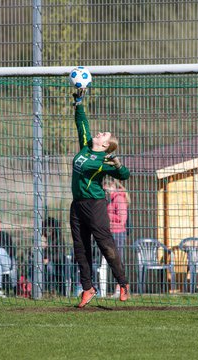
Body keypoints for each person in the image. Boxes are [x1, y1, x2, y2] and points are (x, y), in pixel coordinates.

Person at [70, 89, 130, 308]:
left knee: (105, 245)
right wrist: (79, 102)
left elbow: (124, 175)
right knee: (80, 247)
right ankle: (88, 288)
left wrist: (118, 165)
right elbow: (82, 123)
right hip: (77, 205)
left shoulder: (103, 161)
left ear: (106, 145)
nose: (101, 132)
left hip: (95, 205)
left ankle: (123, 283)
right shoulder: (86, 146)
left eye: (105, 134)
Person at [104, 179, 130, 298]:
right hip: (110, 233)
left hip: (118, 233)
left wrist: (105, 214)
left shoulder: (119, 198)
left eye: (106, 186)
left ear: (113, 185)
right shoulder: (110, 198)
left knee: (118, 261)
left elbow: (122, 219)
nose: (104, 188)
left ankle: (121, 289)